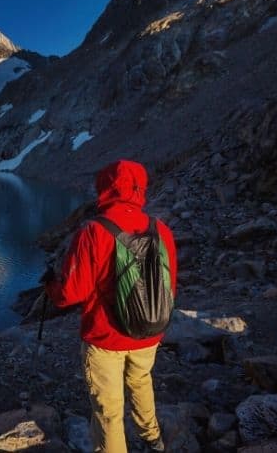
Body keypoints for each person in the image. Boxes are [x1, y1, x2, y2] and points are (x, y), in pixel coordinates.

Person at [44, 160, 177, 453]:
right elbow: (169, 284)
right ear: (140, 189)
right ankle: (153, 438)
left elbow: (70, 294)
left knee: (109, 411)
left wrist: (51, 285)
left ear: (105, 187)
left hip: (105, 338)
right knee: (141, 381)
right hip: (150, 330)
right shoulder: (161, 229)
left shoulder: (93, 231)